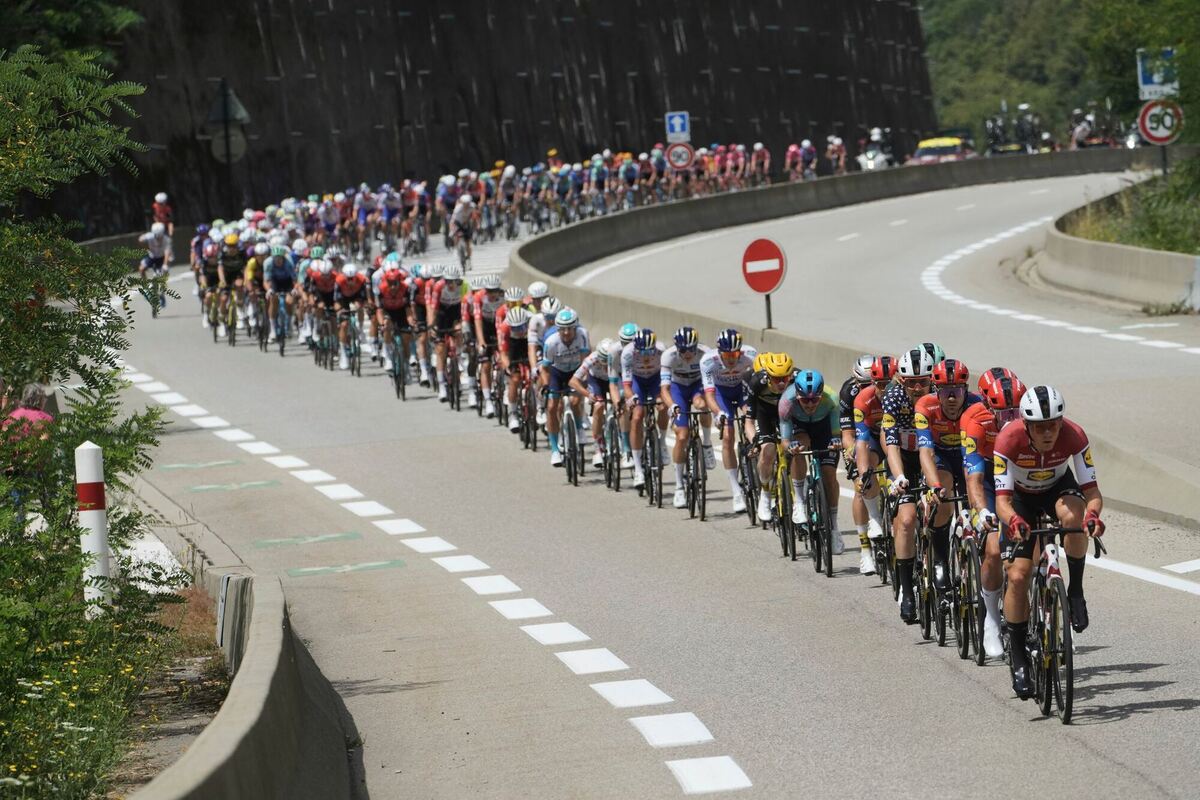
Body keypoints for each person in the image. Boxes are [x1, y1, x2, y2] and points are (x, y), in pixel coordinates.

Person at [994, 386, 1104, 699]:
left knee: (1074, 518)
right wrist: (1014, 521)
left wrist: (1093, 516)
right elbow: (1001, 502)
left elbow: (1092, 492)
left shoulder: (1075, 435)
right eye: (1040, 427)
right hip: (1020, 499)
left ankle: (1076, 592)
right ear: (1026, 425)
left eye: (1054, 425)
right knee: (1018, 576)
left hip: (1058, 488)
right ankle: (1018, 658)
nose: (1048, 433)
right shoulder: (1007, 439)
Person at [778, 369, 843, 552]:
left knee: (829, 475)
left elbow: (836, 433)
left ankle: (834, 527)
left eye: (815, 400)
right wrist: (790, 447)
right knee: (799, 446)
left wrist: (837, 441)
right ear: (797, 395)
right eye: (805, 400)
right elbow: (784, 441)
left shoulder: (832, 399)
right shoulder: (786, 402)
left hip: (824, 428)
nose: (810, 404)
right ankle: (799, 501)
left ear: (821, 395)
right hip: (800, 427)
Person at [701, 329, 756, 513]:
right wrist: (718, 413)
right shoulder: (708, 361)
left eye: (735, 354)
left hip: (741, 389)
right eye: (727, 355)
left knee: (751, 417)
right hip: (721, 393)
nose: (731, 359)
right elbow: (709, 395)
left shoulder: (750, 355)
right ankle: (736, 491)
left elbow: (756, 384)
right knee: (727, 436)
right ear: (719, 353)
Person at [659, 326, 713, 509]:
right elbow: (664, 389)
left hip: (697, 385)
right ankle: (679, 486)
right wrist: (672, 406)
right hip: (678, 388)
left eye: (691, 349)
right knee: (682, 436)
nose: (688, 354)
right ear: (677, 348)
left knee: (702, 405)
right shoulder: (668, 356)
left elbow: (711, 385)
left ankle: (707, 443)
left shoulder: (705, 353)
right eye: (683, 350)